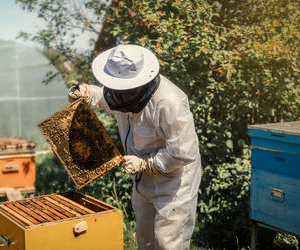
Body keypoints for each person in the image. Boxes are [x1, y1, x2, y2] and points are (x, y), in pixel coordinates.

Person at [69, 44, 201, 250]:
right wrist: (88, 93)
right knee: (146, 239)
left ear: (137, 84)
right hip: (142, 179)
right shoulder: (121, 93)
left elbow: (183, 152)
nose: (116, 93)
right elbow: (105, 96)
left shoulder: (169, 103)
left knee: (168, 243)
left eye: (122, 89)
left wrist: (146, 164)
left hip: (174, 182)